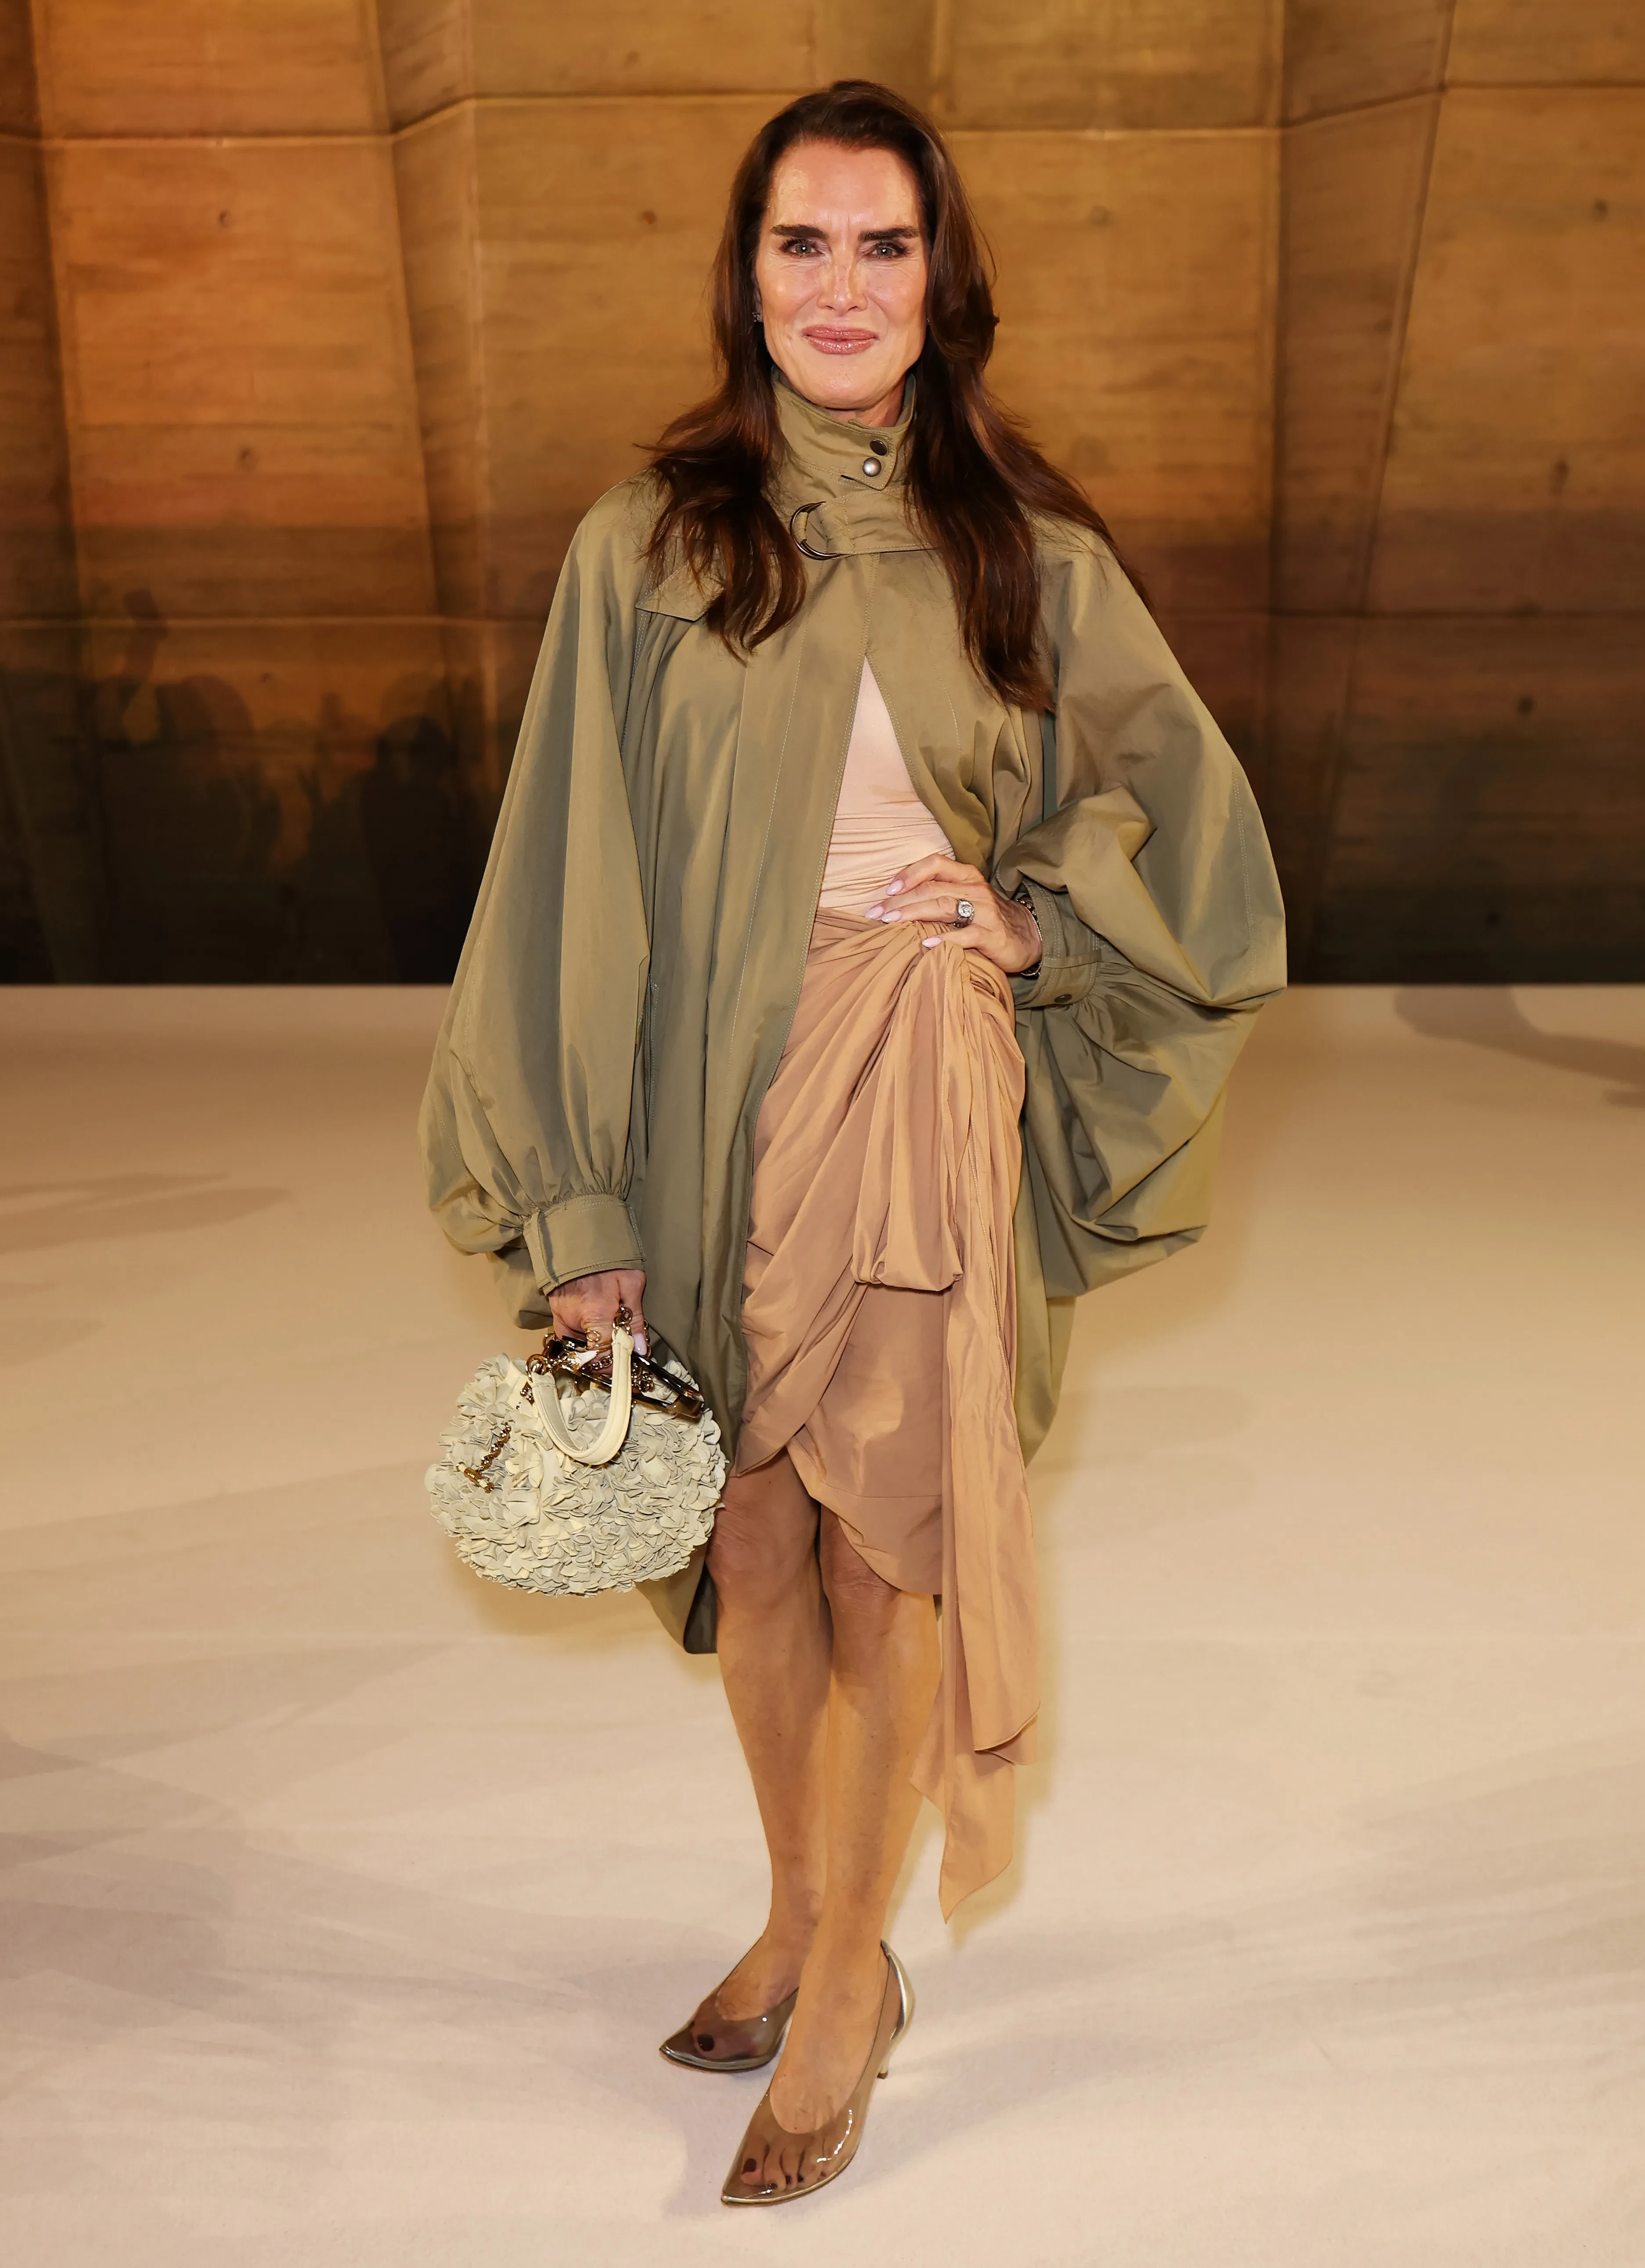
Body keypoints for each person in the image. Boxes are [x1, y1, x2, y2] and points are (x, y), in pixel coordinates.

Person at [421, 79, 1285, 2206]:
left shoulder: (1023, 548)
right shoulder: (649, 545)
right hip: (708, 1088)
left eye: (881, 245)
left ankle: (837, 1988)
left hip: (920, 1076)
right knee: (748, 1534)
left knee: (890, 1539)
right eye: (800, 244)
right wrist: (575, 1191)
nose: (839, 286)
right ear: (746, 278)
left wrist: (1038, 917)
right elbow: (563, 875)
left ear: (938, 276)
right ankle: (816, 1915)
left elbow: (1187, 811)